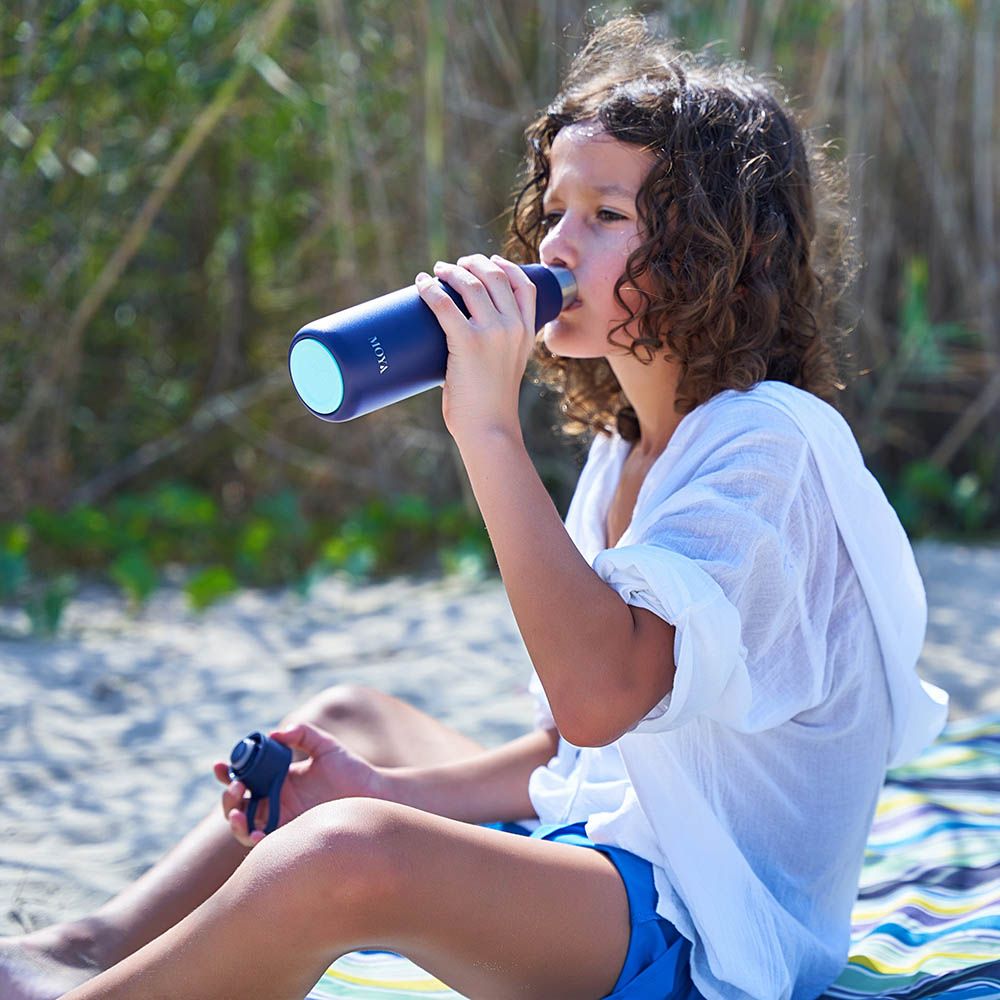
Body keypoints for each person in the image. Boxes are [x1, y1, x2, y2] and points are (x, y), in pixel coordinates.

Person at [0, 13, 948, 1000]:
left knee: (347, 853)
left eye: (607, 216)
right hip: (611, 844)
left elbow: (597, 695)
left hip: (703, 926)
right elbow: (565, 748)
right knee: (348, 720)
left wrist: (485, 430)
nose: (556, 243)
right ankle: (83, 949)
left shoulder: (768, 444)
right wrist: (388, 787)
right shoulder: (630, 444)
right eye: (553, 207)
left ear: (722, 250)